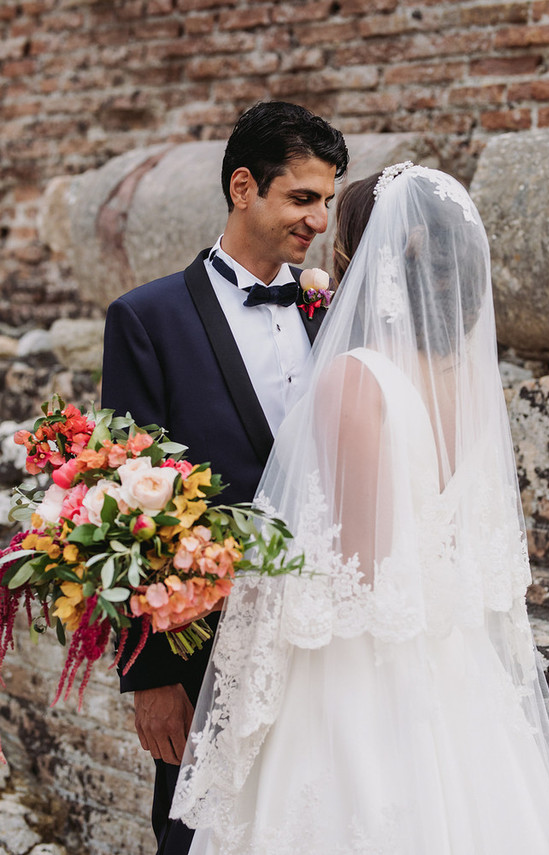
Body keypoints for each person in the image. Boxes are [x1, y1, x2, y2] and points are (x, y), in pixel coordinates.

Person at [170, 163, 549, 854]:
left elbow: (354, 571)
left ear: (367, 255)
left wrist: (250, 573)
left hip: (356, 675)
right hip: (454, 661)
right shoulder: (472, 386)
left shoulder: (357, 379)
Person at [100, 100, 349, 855]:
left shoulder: (329, 311)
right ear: (244, 187)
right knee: (192, 833)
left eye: (329, 202)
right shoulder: (147, 319)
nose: (319, 220)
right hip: (205, 646)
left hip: (323, 644)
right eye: (301, 197)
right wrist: (149, 677)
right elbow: (127, 503)